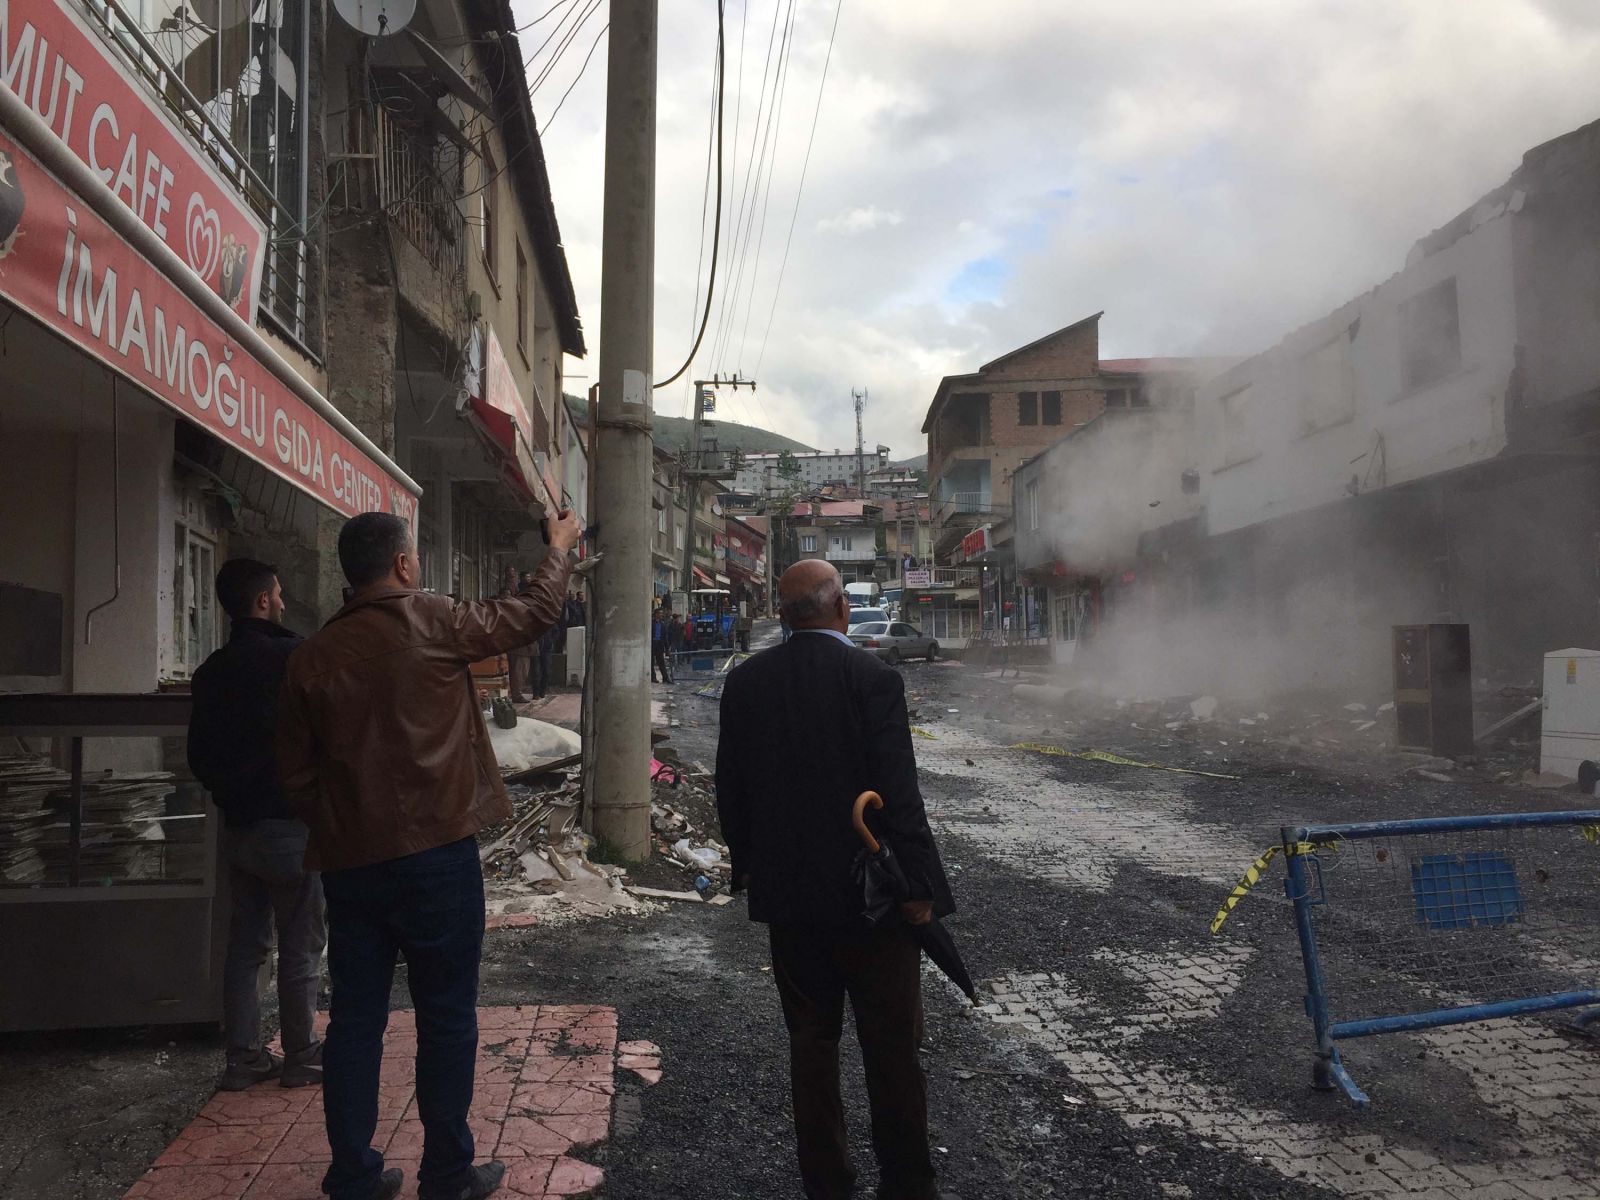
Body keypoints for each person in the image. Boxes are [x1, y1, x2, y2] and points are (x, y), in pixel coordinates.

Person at [278, 510, 580, 1200]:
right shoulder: (435, 621)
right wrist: (557, 547)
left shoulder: (310, 659)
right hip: (439, 853)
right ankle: (447, 1173)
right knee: (446, 1014)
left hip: (352, 864)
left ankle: (352, 1174)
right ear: (405, 565)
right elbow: (532, 611)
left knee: (355, 1019)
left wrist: (341, 826)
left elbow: (294, 776)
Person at [715, 560, 957, 1200]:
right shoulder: (872, 679)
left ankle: (827, 1182)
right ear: (841, 609)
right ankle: (907, 1184)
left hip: (791, 905)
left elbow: (731, 793)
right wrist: (920, 891)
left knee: (812, 1045)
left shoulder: (747, 684)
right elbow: (898, 798)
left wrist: (750, 868)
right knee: (891, 1050)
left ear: (784, 615)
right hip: (871, 903)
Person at [188, 559, 326, 1094]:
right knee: (300, 943)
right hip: (290, 827)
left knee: (246, 944)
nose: (285, 603)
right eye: (280, 594)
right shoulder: (293, 659)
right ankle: (302, 1054)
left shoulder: (211, 672)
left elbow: (199, 756)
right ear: (264, 601)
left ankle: (242, 1056)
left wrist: (231, 793)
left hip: (238, 828)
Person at [507, 571, 537, 702]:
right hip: (522, 647)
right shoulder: (521, 609)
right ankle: (517, 694)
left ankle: (517, 693)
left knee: (522, 671)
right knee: (519, 672)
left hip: (525, 646)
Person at [651, 604, 674, 684]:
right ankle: (653, 677)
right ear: (656, 614)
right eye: (659, 613)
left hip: (660, 645)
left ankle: (665, 678)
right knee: (651, 662)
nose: (661, 615)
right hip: (652, 644)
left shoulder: (663, 624)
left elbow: (665, 637)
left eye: (661, 613)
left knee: (661, 662)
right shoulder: (651, 623)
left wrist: (667, 648)